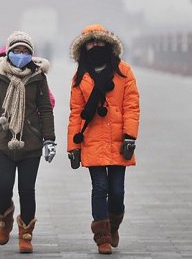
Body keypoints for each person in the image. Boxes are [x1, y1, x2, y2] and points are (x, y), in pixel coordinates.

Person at [0, 31, 56, 254]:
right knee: (2, 188)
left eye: (25, 51)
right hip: (1, 141)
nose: (21, 55)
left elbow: (46, 109)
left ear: (31, 54)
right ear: (9, 53)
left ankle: (26, 233)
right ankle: (6, 216)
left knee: (26, 190)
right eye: (17, 51)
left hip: (30, 142)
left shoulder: (38, 77)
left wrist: (50, 139)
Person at [67, 24, 140, 255]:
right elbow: (75, 111)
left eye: (99, 41)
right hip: (93, 139)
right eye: (91, 42)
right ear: (84, 46)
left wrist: (130, 136)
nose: (95, 46)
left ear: (108, 44)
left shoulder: (124, 71)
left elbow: (131, 105)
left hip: (119, 139)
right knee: (99, 187)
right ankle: (102, 237)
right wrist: (73, 146)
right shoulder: (80, 76)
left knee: (117, 191)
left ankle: (114, 224)